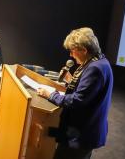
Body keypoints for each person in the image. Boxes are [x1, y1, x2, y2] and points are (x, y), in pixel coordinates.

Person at [37, 27, 113, 159]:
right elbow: (89, 93)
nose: (71, 55)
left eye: (72, 51)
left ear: (84, 50)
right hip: (86, 130)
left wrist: (50, 94)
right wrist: (71, 81)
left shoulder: (94, 68)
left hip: (81, 134)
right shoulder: (99, 61)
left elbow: (77, 101)